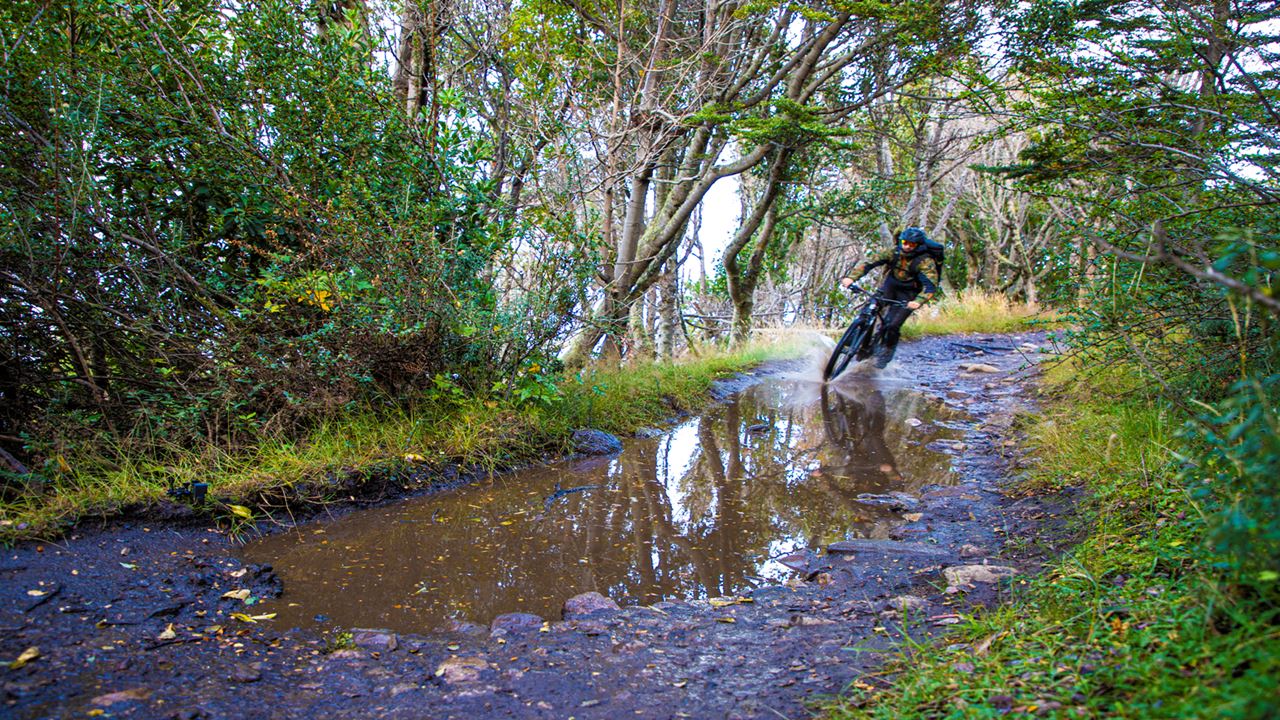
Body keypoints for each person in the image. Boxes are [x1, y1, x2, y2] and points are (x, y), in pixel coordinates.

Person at [837, 227, 943, 368]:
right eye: (905, 242)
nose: (906, 246)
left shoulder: (925, 261)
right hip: (890, 286)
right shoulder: (894, 252)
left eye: (911, 244)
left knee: (892, 325)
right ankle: (858, 341)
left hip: (909, 294)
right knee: (869, 309)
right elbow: (869, 262)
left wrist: (918, 301)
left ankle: (886, 353)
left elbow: (930, 286)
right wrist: (851, 278)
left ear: (918, 245)